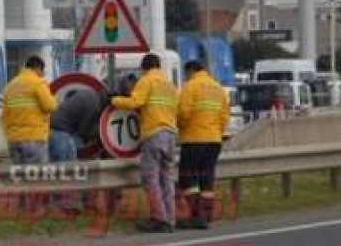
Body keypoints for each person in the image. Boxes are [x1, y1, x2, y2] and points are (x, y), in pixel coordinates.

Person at [111, 53, 179, 233]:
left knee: (150, 178)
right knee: (167, 178)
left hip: (154, 134)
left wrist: (114, 100)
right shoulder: (169, 85)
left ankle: (159, 218)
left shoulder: (146, 80)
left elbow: (136, 102)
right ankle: (170, 218)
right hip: (171, 135)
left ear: (144, 68)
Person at [176, 60, 230, 229]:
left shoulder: (190, 86)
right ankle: (206, 216)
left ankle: (195, 216)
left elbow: (183, 113)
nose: (185, 77)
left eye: (186, 73)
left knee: (188, 178)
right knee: (207, 179)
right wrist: (217, 132)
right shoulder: (218, 88)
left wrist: (180, 127)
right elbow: (224, 117)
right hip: (214, 141)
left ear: (190, 71)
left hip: (194, 139)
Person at [48, 88, 108, 215]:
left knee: (63, 168)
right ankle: (66, 206)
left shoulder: (89, 95)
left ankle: (65, 204)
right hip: (61, 131)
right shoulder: (95, 106)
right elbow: (84, 131)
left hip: (54, 129)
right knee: (68, 169)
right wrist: (100, 133)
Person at [0, 55, 58, 165]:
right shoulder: (37, 83)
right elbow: (50, 106)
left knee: (19, 174)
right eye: (42, 71)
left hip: (13, 140)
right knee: (37, 174)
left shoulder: (10, 86)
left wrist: (10, 135)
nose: (43, 74)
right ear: (37, 68)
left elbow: (4, 116)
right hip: (34, 138)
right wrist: (54, 99)